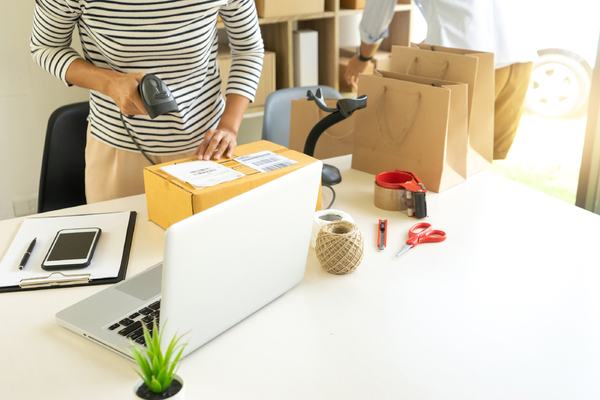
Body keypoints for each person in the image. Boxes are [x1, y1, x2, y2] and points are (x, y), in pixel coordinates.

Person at [30, 0, 264, 203]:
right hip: (117, 151)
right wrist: (109, 83)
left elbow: (249, 49)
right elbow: (45, 46)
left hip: (204, 147)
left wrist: (229, 127)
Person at [344, 0, 537, 160]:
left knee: (443, 161)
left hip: (467, 61)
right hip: (518, 56)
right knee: (482, 161)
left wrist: (363, 57)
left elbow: (378, 10)